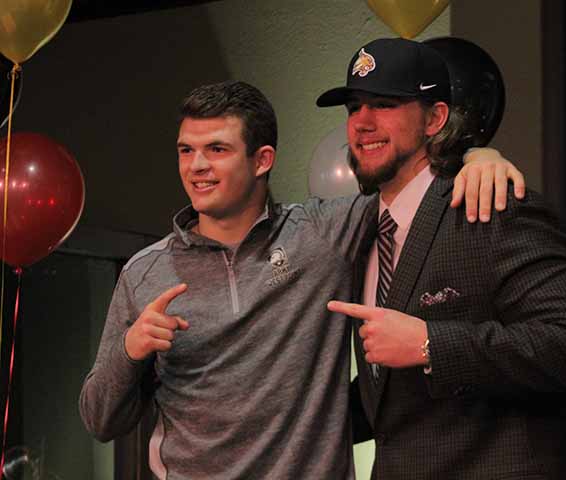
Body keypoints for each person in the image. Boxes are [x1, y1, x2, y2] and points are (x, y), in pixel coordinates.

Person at [78, 80, 526, 479]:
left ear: (262, 160)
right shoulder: (145, 271)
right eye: (185, 150)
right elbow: (99, 421)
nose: (196, 166)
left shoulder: (323, 233)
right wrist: (130, 351)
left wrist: (478, 156)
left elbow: (409, 187)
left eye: (217, 149)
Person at [321, 38, 566, 479]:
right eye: (354, 107)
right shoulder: (360, 230)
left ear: (435, 118)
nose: (362, 123)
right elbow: (394, 402)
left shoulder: (493, 207)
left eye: (384, 104)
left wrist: (430, 345)